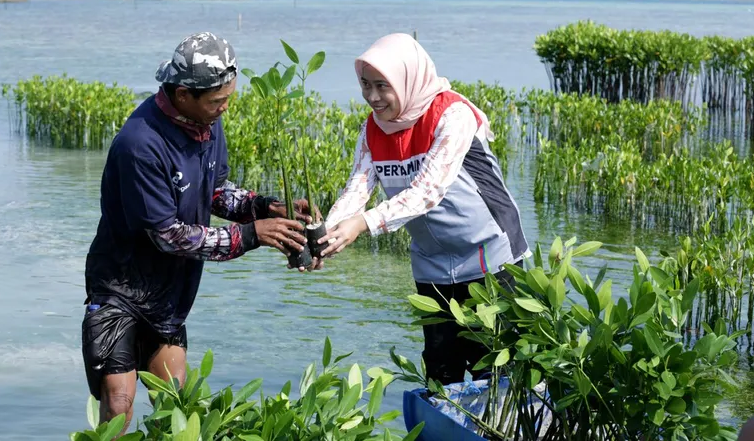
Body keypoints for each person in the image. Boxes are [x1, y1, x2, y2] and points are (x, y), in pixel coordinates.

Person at [81, 32, 318, 434]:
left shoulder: (207, 122)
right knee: (119, 404)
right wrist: (252, 235)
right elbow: (169, 236)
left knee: (177, 404)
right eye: (216, 101)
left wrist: (265, 206)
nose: (224, 108)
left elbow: (215, 193)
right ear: (182, 93)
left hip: (169, 295)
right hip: (118, 288)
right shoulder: (139, 144)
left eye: (228, 98)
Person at [318, 33, 531, 385]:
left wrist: (363, 224)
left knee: (493, 369)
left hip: (491, 255)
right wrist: (327, 235)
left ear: (406, 79)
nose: (372, 97)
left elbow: (427, 192)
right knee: (441, 370)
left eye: (382, 86)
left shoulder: (453, 114)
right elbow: (358, 187)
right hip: (431, 262)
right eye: (365, 85)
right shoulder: (372, 129)